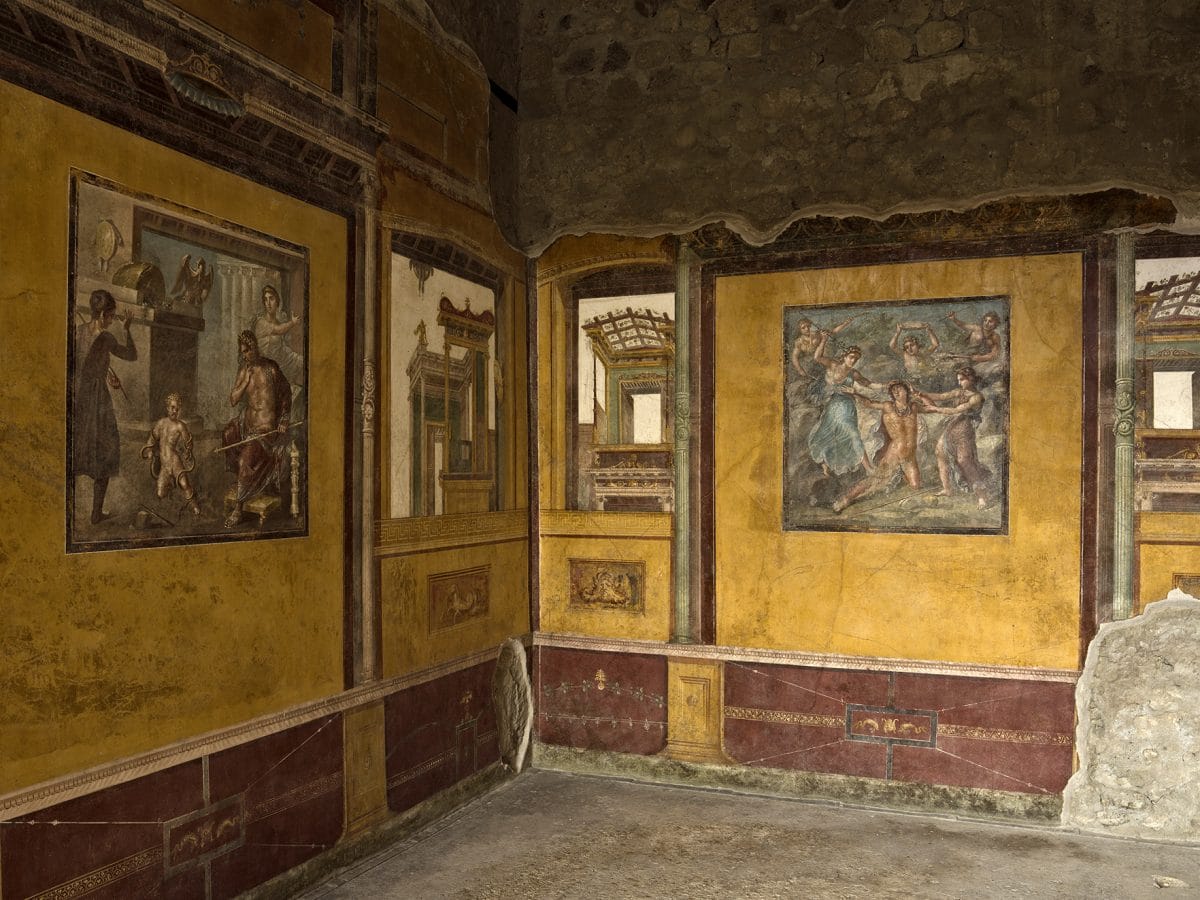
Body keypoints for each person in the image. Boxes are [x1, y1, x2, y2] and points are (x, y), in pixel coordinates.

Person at [73, 289, 137, 524]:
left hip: (76, 396)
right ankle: (96, 513)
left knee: (77, 448)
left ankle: (70, 513)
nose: (112, 320)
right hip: (96, 399)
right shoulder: (107, 337)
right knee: (107, 449)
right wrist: (127, 329)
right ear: (101, 315)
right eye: (110, 316)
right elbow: (131, 355)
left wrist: (103, 371)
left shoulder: (78, 332)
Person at [223, 330, 291, 527]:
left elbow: (286, 393)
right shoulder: (244, 370)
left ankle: (238, 508)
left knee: (245, 458)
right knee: (227, 433)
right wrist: (244, 382)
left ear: (255, 347)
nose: (245, 355)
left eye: (248, 350)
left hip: (265, 430)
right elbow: (233, 400)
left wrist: (285, 418)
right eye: (242, 352)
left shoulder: (271, 369)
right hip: (247, 425)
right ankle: (244, 481)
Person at [833, 381, 928, 512]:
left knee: (916, 486)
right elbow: (869, 403)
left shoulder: (914, 407)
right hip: (895, 451)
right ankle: (846, 498)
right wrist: (855, 393)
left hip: (909, 456)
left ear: (907, 391)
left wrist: (919, 393)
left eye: (899, 388)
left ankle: (900, 474)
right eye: (893, 390)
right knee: (877, 478)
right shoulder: (888, 406)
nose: (896, 392)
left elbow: (933, 408)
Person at [807, 329, 880, 477]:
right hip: (833, 405)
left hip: (848, 406)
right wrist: (824, 339)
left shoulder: (854, 374)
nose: (853, 361)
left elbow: (869, 384)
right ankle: (826, 464)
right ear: (845, 356)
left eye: (856, 359)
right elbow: (817, 357)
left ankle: (869, 468)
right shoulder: (833, 365)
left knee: (852, 434)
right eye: (852, 357)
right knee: (829, 434)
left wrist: (887, 385)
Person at [919, 366, 993, 508]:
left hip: (964, 430)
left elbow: (956, 410)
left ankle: (982, 497)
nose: (959, 383)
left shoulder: (976, 397)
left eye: (962, 379)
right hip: (952, 426)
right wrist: (920, 394)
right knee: (940, 453)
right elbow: (940, 397)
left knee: (964, 461)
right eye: (958, 380)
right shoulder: (959, 391)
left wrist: (935, 409)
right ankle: (947, 489)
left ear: (970, 379)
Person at [140, 392, 200, 516]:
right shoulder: (161, 423)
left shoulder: (180, 426)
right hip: (164, 464)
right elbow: (152, 438)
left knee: (184, 484)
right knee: (160, 493)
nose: (174, 411)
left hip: (174, 461)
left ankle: (194, 506)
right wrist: (150, 450)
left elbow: (188, 442)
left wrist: (188, 451)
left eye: (177, 409)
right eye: (172, 408)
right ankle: (172, 494)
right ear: (167, 408)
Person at [252, 285, 303, 390]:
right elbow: (279, 330)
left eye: (271, 298)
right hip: (264, 367)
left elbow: (280, 347)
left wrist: (294, 357)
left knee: (301, 361)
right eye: (265, 300)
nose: (268, 303)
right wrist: (292, 323)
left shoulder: (278, 321)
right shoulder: (261, 322)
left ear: (277, 301)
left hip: (279, 363)